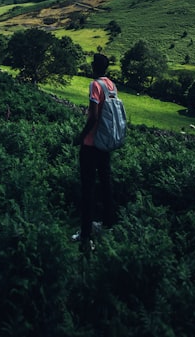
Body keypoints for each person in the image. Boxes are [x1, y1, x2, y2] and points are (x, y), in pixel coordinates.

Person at [74, 52, 116, 251]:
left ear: (95, 67)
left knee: (87, 188)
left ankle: (85, 235)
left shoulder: (95, 85)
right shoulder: (111, 85)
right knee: (106, 184)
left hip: (91, 144)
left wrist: (80, 137)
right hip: (106, 143)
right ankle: (108, 225)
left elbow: (93, 117)